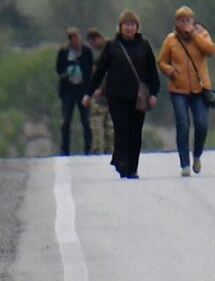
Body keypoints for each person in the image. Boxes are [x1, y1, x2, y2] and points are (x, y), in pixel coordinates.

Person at [84, 10, 160, 179]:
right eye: (126, 25)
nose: (129, 28)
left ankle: (132, 168)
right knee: (122, 129)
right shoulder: (112, 47)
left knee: (135, 132)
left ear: (137, 27)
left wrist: (153, 93)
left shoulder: (144, 46)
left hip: (138, 98)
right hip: (116, 96)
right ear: (120, 27)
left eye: (132, 25)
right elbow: (100, 71)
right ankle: (122, 162)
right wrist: (89, 93)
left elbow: (152, 72)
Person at [157, 6, 215, 177]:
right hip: (178, 89)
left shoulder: (201, 34)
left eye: (188, 20)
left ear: (193, 21)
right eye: (182, 20)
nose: (185, 24)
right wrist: (169, 70)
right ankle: (184, 163)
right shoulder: (171, 40)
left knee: (202, 124)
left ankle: (197, 154)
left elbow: (211, 50)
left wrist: (195, 36)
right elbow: (162, 61)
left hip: (200, 89)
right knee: (183, 125)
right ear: (176, 23)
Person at [55, 27, 94, 156]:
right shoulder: (64, 52)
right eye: (74, 39)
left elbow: (90, 70)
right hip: (68, 90)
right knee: (66, 121)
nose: (77, 42)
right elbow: (59, 69)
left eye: (79, 38)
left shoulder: (86, 51)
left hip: (82, 90)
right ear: (70, 41)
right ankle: (65, 149)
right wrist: (67, 73)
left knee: (86, 121)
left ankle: (89, 148)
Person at [85, 29, 113, 154]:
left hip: (105, 94)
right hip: (110, 94)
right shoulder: (110, 49)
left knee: (99, 125)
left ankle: (99, 151)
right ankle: (109, 151)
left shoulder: (106, 52)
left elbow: (107, 74)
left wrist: (100, 89)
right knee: (109, 127)